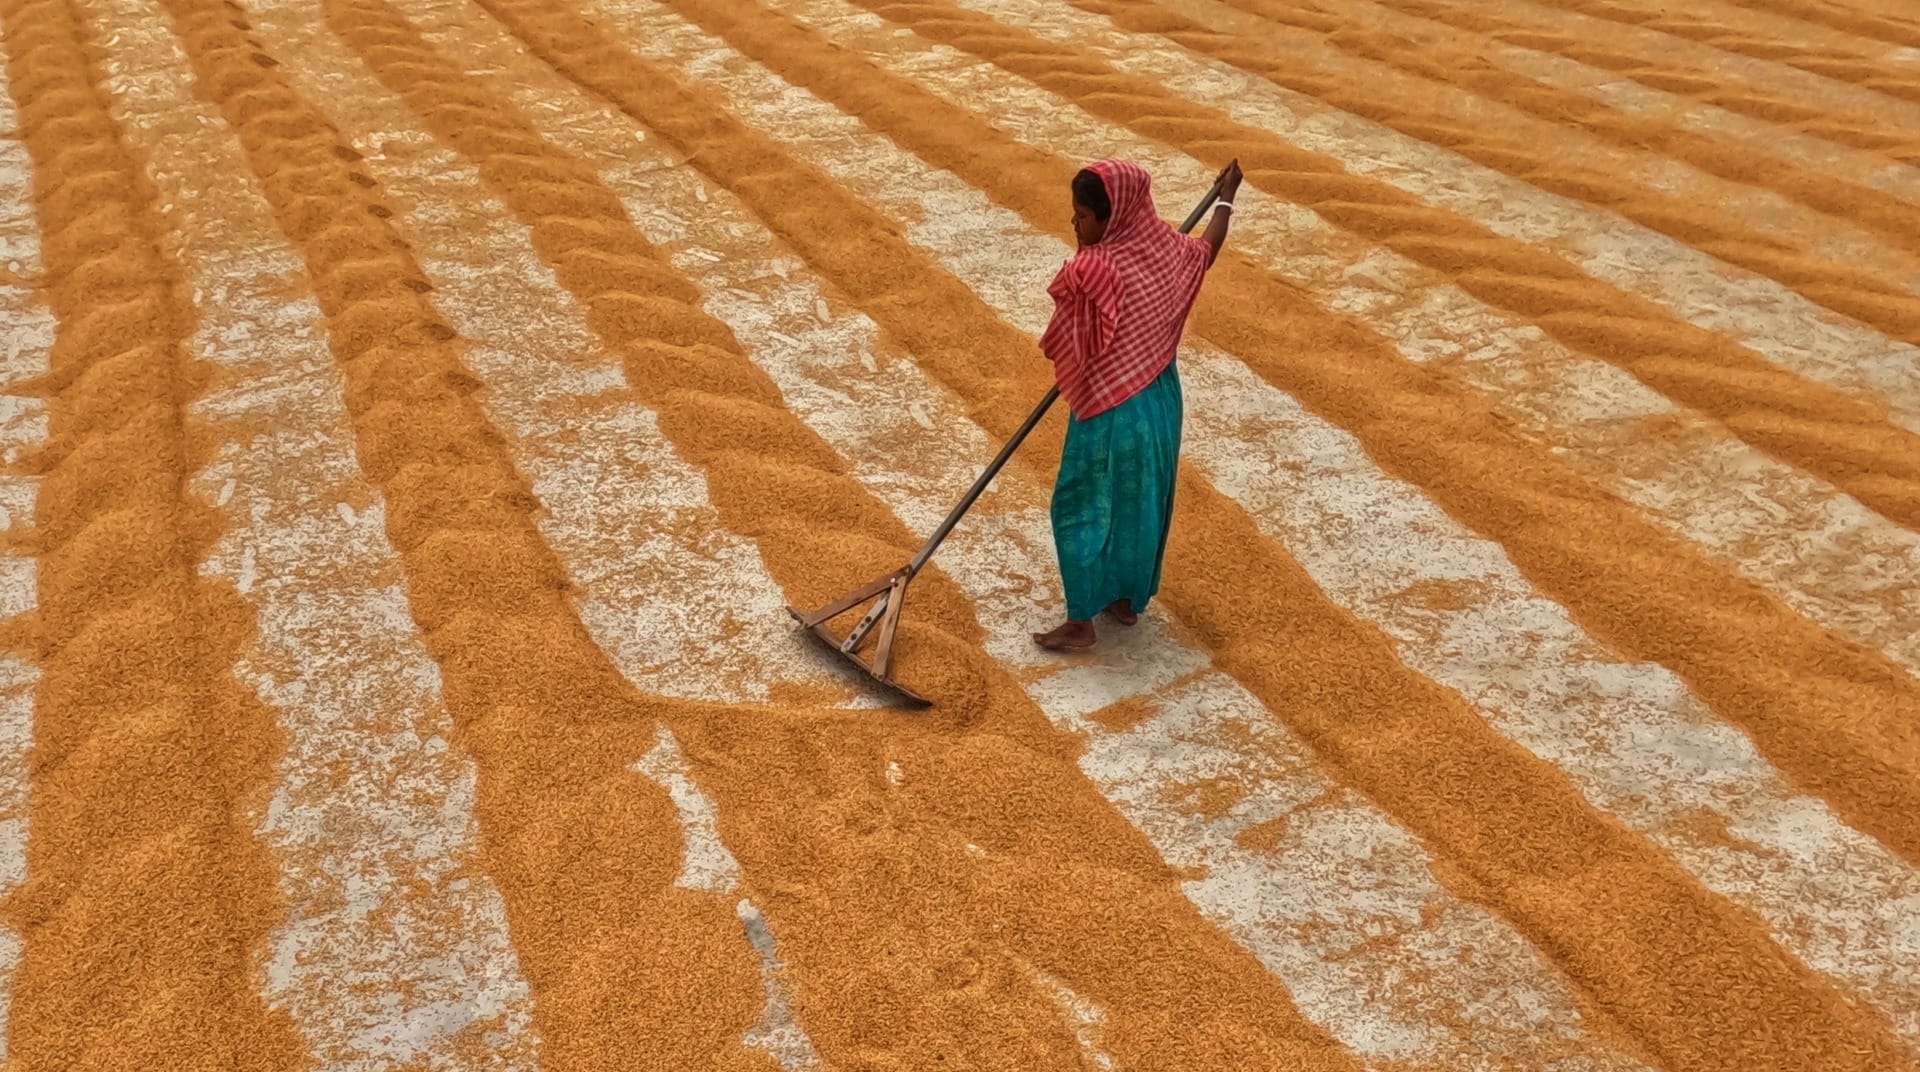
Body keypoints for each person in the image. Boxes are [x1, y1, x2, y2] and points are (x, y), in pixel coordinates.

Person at [1032, 157, 1242, 651]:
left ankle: (1081, 620)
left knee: (1079, 504)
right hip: (1159, 401)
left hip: (1110, 413)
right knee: (1139, 504)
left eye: (1083, 217)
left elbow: (1070, 335)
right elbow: (1206, 250)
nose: (1076, 225)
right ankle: (1125, 602)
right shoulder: (1165, 246)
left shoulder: (1092, 267)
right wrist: (1227, 196)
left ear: (1113, 215)